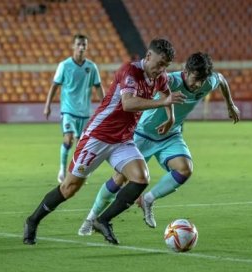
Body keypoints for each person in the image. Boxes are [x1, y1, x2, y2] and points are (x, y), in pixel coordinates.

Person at [23, 38, 186, 245]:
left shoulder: (159, 77)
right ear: (148, 56)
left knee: (141, 178)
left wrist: (170, 117)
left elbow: (166, 94)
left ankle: (103, 220)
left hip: (123, 140)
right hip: (98, 137)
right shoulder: (130, 71)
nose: (161, 69)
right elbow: (128, 104)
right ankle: (32, 221)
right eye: (159, 63)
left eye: (165, 65)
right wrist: (163, 102)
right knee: (69, 188)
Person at [77, 52, 240, 236]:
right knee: (119, 179)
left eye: (201, 80)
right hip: (141, 134)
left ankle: (147, 199)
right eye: (195, 79)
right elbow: (134, 97)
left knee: (185, 169)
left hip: (170, 135)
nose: (198, 85)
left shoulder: (207, 82)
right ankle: (91, 219)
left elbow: (221, 79)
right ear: (185, 71)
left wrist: (230, 105)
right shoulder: (169, 81)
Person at [44, 34, 105, 184]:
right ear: (73, 46)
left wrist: (105, 106)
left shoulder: (91, 67)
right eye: (79, 44)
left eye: (84, 44)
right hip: (68, 111)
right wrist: (47, 105)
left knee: (82, 144)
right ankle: (62, 170)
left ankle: (78, 171)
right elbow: (54, 86)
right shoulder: (64, 65)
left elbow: (98, 87)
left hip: (84, 112)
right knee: (68, 138)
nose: (81, 47)